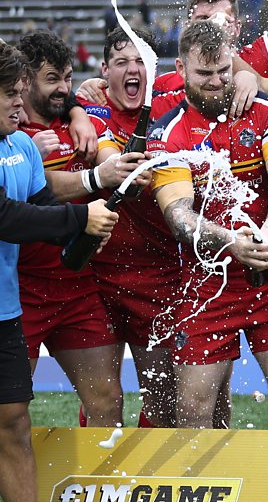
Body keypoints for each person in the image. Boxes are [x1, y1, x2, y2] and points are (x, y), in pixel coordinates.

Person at [148, 21, 268, 430]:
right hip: (207, 285)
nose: (217, 81)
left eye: (224, 70)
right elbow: (178, 216)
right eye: (204, 73)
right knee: (194, 408)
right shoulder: (167, 132)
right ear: (181, 70)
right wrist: (229, 241)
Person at [0, 41, 119, 502]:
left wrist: (85, 235)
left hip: (8, 311)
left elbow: (43, 206)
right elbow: (7, 217)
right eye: (10, 93)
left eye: (20, 92)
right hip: (23, 298)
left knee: (14, 424)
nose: (19, 103)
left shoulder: (20, 147)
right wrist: (80, 216)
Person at [16, 31, 149, 428]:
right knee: (11, 411)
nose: (63, 88)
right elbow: (39, 187)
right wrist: (96, 177)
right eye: (52, 79)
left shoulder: (84, 122)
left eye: (68, 78)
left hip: (76, 287)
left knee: (108, 400)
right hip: (19, 290)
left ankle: (99, 473)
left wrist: (80, 114)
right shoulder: (12, 132)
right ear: (24, 81)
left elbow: (108, 157)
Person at [76, 27, 183, 428]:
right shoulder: (90, 108)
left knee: (162, 397)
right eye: (121, 62)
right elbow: (107, 154)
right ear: (105, 71)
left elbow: (215, 75)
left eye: (140, 61)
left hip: (159, 276)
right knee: (101, 397)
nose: (132, 69)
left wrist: (245, 78)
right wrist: (118, 167)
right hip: (96, 279)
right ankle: (99, 468)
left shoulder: (171, 104)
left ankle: (148, 469)